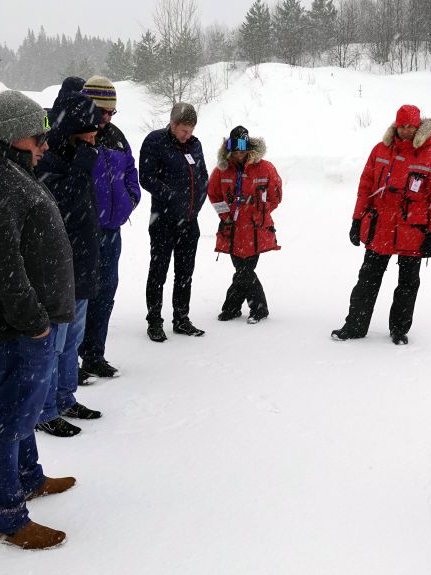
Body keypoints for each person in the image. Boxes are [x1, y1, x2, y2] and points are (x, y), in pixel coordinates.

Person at [0, 90, 77, 551]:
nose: (44, 146)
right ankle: (8, 515)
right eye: (37, 137)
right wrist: (35, 322)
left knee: (21, 410)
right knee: (7, 417)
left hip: (26, 323)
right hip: (17, 328)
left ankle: (28, 477)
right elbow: (2, 264)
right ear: (11, 135)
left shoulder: (8, 168)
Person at [331, 104, 431, 346]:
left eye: (411, 126)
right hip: (380, 228)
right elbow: (365, 187)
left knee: (407, 284)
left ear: (418, 127)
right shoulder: (380, 150)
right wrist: (357, 219)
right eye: (402, 126)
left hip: (413, 232)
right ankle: (355, 325)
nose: (406, 130)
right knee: (367, 279)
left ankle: (399, 329)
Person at [34, 84, 104, 437]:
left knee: (71, 342)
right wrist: (79, 169)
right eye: (89, 136)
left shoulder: (79, 155)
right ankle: (45, 409)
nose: (94, 142)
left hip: (82, 262)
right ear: (72, 134)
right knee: (54, 344)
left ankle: (64, 397)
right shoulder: (48, 160)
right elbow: (60, 211)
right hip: (58, 270)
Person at [78, 75, 140, 380]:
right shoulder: (74, 133)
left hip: (112, 231)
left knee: (105, 293)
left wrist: (130, 200)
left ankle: (93, 355)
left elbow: (131, 171)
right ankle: (68, 365)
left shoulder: (116, 136)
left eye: (111, 112)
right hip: (82, 232)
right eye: (102, 111)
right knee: (78, 297)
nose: (107, 117)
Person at [138, 101, 209, 342]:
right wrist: (173, 199)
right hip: (164, 221)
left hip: (190, 221)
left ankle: (181, 318)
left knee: (185, 272)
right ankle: (154, 321)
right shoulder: (155, 141)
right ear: (172, 124)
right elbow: (146, 178)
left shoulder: (195, 145)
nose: (188, 135)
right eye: (184, 130)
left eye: (191, 130)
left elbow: (203, 176)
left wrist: (196, 204)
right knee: (159, 271)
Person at [207, 125, 283, 324]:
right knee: (243, 271)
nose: (239, 153)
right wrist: (226, 216)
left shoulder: (266, 168)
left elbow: (276, 195)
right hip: (232, 230)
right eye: (235, 148)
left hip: (256, 231)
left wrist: (260, 212)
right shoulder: (221, 170)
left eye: (243, 147)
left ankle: (248, 308)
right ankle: (239, 308)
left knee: (244, 271)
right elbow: (214, 195)